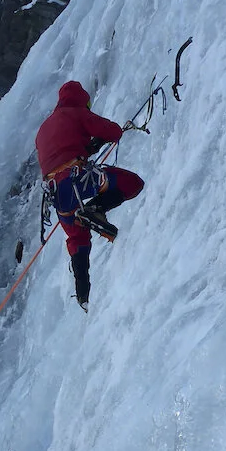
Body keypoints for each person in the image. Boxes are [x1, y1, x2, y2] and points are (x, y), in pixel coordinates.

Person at [35, 79, 145, 311]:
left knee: (77, 236)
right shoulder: (75, 113)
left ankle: (82, 291)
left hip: (57, 195)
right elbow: (113, 131)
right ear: (81, 100)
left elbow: (59, 151)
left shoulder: (43, 129)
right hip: (79, 179)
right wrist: (97, 139)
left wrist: (86, 147)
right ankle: (95, 209)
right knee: (131, 183)